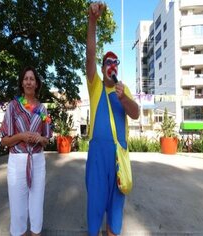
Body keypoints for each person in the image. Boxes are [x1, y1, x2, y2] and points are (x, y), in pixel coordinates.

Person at [85, 2, 140, 236]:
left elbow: (136, 113)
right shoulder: (95, 85)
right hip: (98, 155)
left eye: (115, 62)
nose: (112, 66)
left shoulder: (122, 89)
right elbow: (90, 54)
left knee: (116, 209)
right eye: (108, 62)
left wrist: (123, 99)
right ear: (102, 67)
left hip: (119, 154)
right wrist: (92, 22)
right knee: (95, 206)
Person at [0, 66, 52, 236]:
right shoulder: (13, 107)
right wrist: (21, 136)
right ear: (22, 83)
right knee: (18, 210)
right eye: (26, 79)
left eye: (32, 79)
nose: (29, 82)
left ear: (37, 84)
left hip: (37, 160)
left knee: (36, 208)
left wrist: (39, 138)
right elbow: (4, 140)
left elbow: (47, 139)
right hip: (17, 161)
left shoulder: (43, 110)